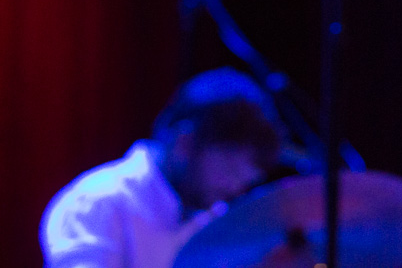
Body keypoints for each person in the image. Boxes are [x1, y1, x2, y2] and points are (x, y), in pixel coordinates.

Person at [40, 68, 283, 268]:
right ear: (184, 144)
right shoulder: (98, 202)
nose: (236, 189)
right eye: (230, 170)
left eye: (247, 180)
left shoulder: (212, 216)